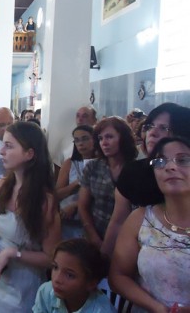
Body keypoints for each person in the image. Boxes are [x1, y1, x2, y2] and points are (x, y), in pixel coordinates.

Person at [0, 121, 61, 312]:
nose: (1, 151)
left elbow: (51, 258)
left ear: (29, 154)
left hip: (20, 286)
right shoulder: (3, 186)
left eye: (9, 146)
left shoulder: (44, 201)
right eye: (3, 144)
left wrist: (13, 253)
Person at [109, 137, 190, 312]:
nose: (170, 167)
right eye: (160, 161)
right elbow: (118, 276)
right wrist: (157, 308)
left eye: (183, 160)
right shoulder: (140, 219)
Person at [102, 103, 190, 256]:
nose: (152, 132)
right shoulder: (133, 172)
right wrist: (103, 261)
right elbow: (118, 221)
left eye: (164, 128)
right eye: (150, 126)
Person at [78, 117, 137, 250]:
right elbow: (83, 206)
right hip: (95, 235)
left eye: (109, 137)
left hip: (128, 241)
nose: (104, 142)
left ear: (123, 138)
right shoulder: (93, 167)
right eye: (100, 138)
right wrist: (95, 239)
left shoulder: (135, 169)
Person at [33, 239, 116, 313]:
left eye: (70, 275)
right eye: (55, 267)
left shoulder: (102, 310)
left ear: (91, 283)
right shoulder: (46, 292)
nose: (57, 279)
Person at [55, 125, 96, 239]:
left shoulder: (101, 163)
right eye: (77, 140)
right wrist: (76, 183)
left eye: (85, 138)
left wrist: (77, 205)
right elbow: (57, 194)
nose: (81, 144)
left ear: (94, 139)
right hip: (67, 220)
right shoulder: (69, 163)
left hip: (93, 219)